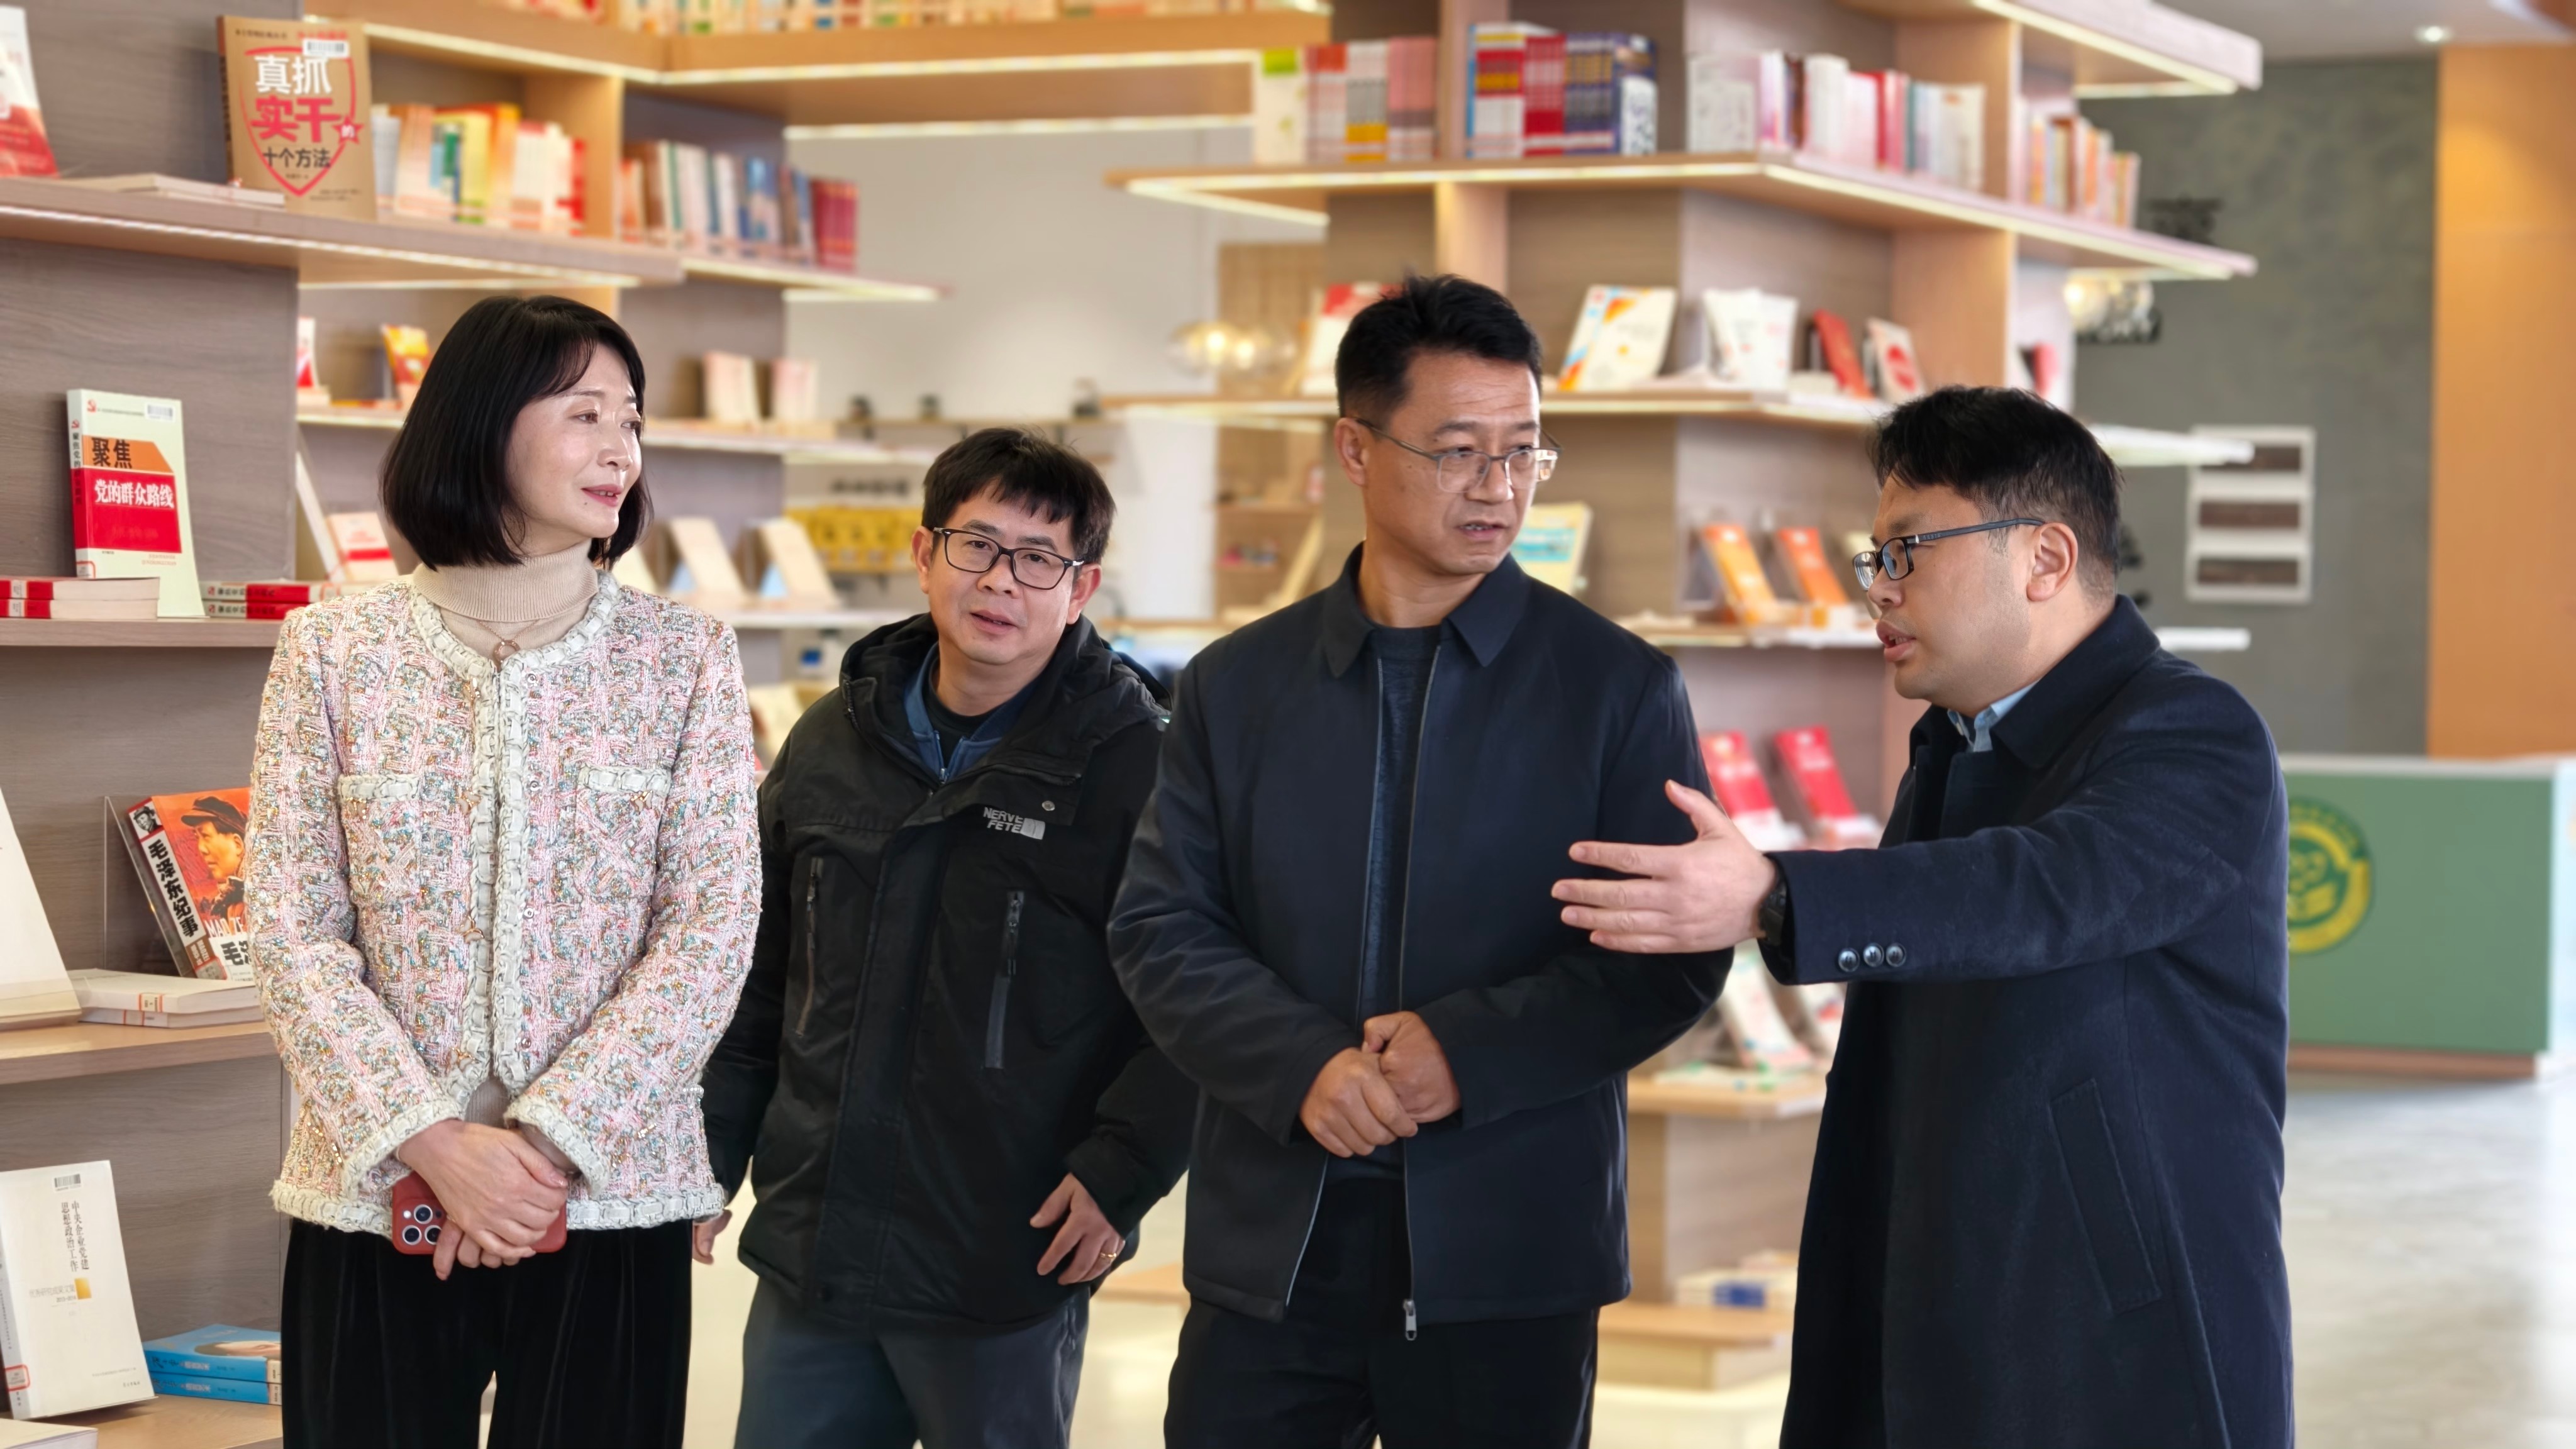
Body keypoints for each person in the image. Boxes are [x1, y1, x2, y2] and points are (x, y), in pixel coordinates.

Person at [1552, 385, 2293, 1448]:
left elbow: (2045, 888)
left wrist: (1773, 892)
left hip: (2111, 1321)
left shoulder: (2194, 732)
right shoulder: (1955, 745)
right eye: (1874, 558)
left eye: (1908, 551)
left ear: (2044, 558)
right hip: (1941, 1289)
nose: (1879, 590)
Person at [1109, 274, 1726, 1449]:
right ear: (1356, 447)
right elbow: (1162, 927)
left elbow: (1666, 958)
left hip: (1512, 1246)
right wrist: (1300, 1062)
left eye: (1524, 452)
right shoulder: (1237, 685)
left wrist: (1469, 1055)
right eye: (1458, 451)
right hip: (1274, 1237)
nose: (1498, 486)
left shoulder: (1618, 688)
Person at [246, 294, 761, 1449]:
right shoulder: (333, 651)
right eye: (585, 414)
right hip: (376, 1190)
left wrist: (541, 1150)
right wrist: (433, 1142)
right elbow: (291, 930)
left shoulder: (683, 660)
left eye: (632, 418)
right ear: (482, 422)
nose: (621, 448)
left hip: (609, 1191)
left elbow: (712, 929)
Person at [699, 428, 1194, 1449]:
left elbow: (1191, 1000)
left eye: (1039, 558)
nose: (1001, 580)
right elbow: (758, 974)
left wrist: (1125, 1170)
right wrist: (706, 1153)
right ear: (925, 555)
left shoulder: (1137, 770)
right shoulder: (831, 738)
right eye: (977, 545)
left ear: (1082, 588)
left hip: (1004, 1249)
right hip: (815, 1242)